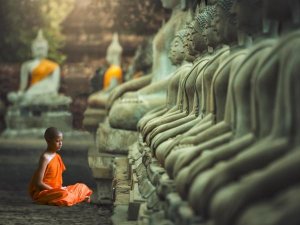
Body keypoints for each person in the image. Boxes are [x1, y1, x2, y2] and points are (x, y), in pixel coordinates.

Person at [28, 127, 93, 206]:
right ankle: (78, 198)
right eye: (57, 141)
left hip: (58, 190)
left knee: (82, 186)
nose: (60, 143)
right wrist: (55, 190)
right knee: (63, 194)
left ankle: (74, 198)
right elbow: (38, 183)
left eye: (61, 141)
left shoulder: (57, 156)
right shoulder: (45, 157)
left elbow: (57, 181)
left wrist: (61, 188)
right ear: (48, 141)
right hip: (46, 192)